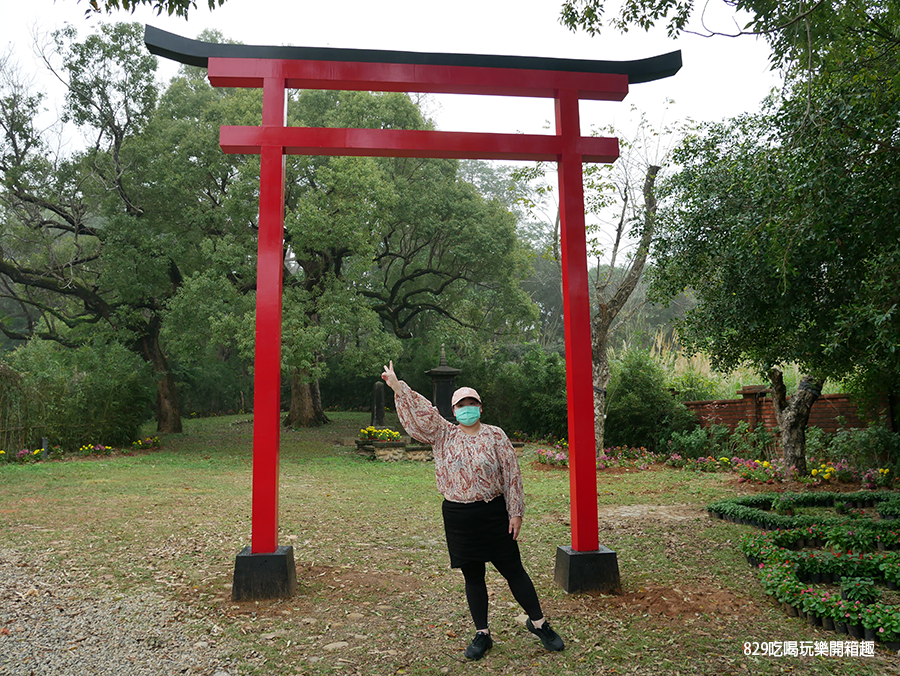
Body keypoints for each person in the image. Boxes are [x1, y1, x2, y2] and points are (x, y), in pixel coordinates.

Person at [381, 361, 564, 660]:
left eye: (472, 403)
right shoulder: (443, 435)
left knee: (513, 570)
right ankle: (483, 633)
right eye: (461, 405)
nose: (467, 408)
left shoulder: (495, 436)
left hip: (493, 512)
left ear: (480, 407)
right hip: (458, 515)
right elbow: (421, 416)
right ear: (453, 411)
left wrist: (515, 512)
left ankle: (539, 623)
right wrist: (398, 387)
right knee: (473, 576)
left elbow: (512, 474)